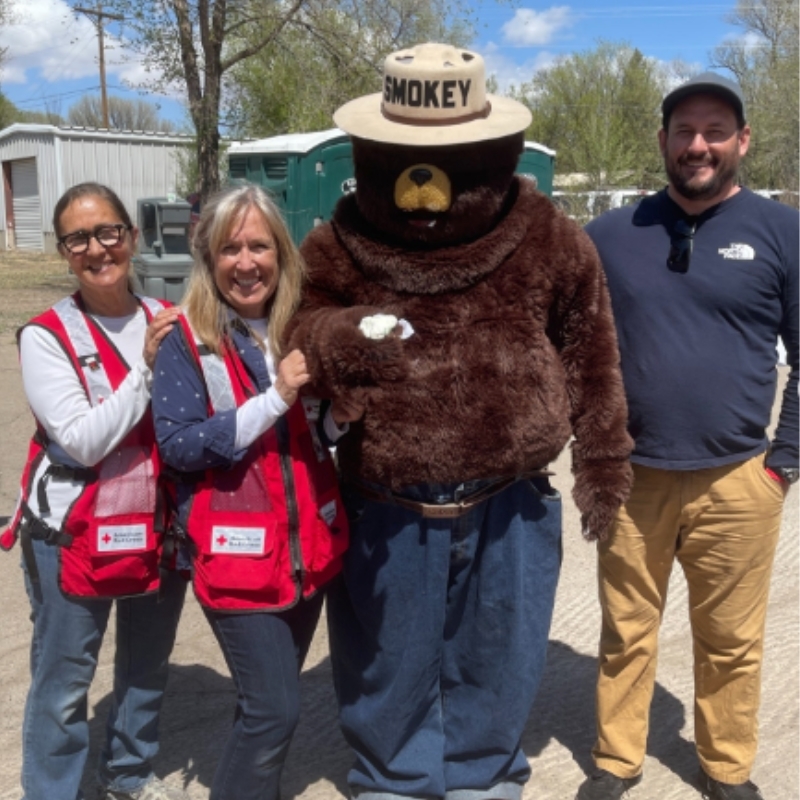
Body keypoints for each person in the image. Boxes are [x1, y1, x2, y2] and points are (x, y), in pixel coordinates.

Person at [576, 73, 798, 800]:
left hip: (739, 478)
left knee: (731, 641)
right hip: (632, 475)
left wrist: (783, 463)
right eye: (683, 131)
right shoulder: (608, 235)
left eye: (713, 131)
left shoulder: (782, 233)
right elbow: (563, 342)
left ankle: (726, 765)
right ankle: (617, 759)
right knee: (626, 631)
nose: (697, 145)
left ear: (742, 141)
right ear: (663, 141)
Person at [151, 184, 355, 800]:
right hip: (236, 560)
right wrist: (275, 398)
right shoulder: (186, 340)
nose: (246, 262)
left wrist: (340, 417)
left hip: (305, 552)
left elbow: (308, 434)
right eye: (230, 248)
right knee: (273, 711)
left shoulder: (299, 327)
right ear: (209, 259)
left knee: (266, 706)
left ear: (281, 253)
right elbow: (180, 446)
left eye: (259, 246)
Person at [0, 182, 189, 800]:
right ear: (63, 252)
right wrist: (146, 372)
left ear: (132, 238)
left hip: (156, 526)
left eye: (108, 231)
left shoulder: (163, 320)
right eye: (78, 238)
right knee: (64, 680)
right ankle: (51, 790)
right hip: (71, 532)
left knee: (145, 665)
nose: (96, 248)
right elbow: (82, 441)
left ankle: (129, 776)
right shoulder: (46, 336)